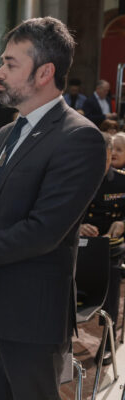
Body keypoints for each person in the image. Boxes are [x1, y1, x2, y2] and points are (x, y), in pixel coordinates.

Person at [0, 17, 106, 399]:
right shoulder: (6, 133)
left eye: (10, 63)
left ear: (44, 72)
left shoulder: (80, 137)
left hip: (32, 316)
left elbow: (43, 230)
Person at [80, 133, 125, 366]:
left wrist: (123, 223)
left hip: (109, 246)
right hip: (76, 244)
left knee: (111, 273)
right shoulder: (74, 177)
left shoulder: (121, 181)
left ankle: (108, 337)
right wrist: (77, 226)